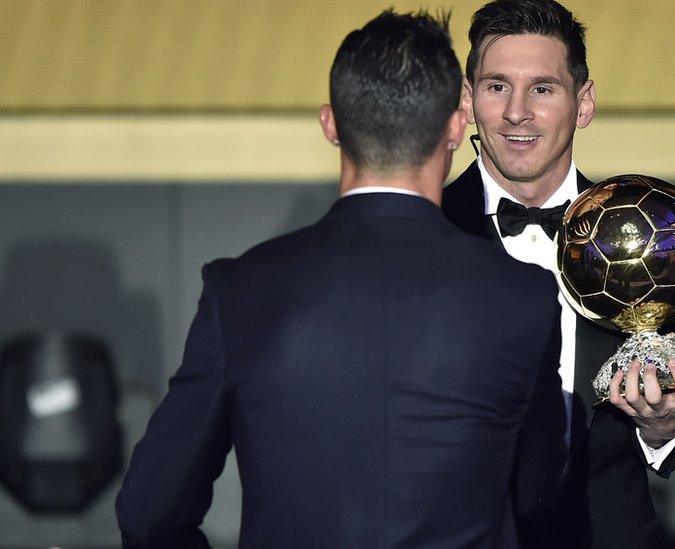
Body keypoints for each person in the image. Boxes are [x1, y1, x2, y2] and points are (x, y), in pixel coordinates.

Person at [116, 10, 567, 548]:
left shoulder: (239, 291)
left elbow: (149, 514)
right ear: (455, 124)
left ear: (330, 123)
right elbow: (539, 492)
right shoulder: (524, 296)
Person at [442, 1, 675, 547]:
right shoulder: (423, 228)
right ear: (468, 98)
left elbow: (661, 425)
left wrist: (662, 425)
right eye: (497, 86)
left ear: (584, 102)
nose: (516, 112)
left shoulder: (650, 232)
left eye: (542, 89)